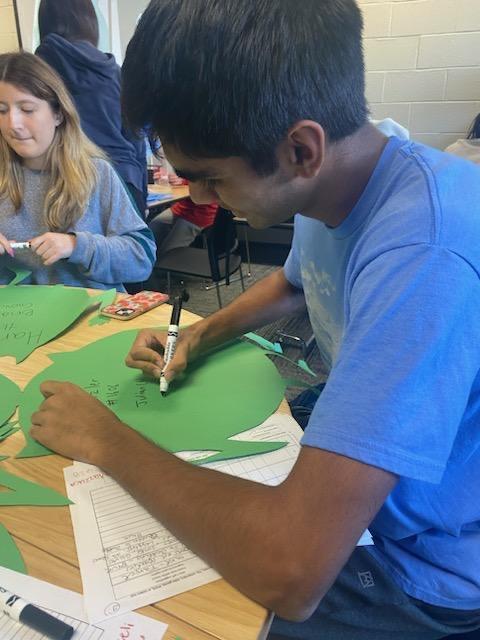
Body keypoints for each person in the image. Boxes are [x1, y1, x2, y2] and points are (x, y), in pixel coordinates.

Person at [29, 1, 480, 638]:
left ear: (300, 149)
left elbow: (291, 569)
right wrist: (197, 335)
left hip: (425, 568)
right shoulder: (351, 170)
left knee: (163, 612)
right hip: (370, 497)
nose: (197, 198)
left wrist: (105, 440)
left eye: (209, 178)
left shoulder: (423, 256)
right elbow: (297, 282)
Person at [0, 52, 156, 291]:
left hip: (92, 311)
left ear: (58, 114)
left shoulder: (97, 173)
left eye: (27, 109)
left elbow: (141, 259)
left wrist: (76, 247)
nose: (13, 124)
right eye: (1, 111)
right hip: (19, 313)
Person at [35, 0, 148, 216]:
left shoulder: (39, 71)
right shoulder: (114, 72)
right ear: (90, 22)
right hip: (125, 180)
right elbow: (136, 139)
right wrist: (141, 194)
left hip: (72, 182)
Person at [149, 197, 218, 256]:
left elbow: (198, 196)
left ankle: (163, 264)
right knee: (153, 227)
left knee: (168, 253)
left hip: (200, 214)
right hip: (182, 207)